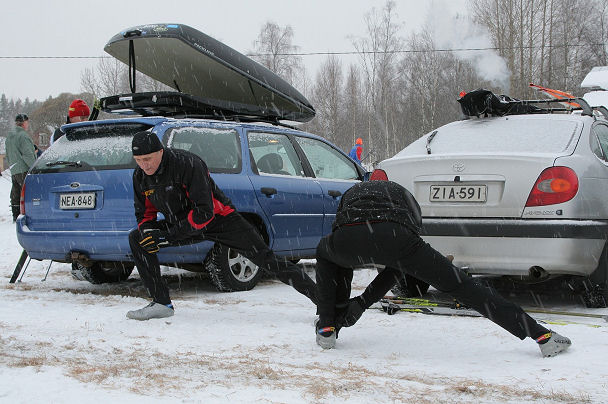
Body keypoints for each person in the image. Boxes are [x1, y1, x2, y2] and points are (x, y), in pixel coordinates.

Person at [314, 180, 571, 357]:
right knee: (463, 286)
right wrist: (363, 302)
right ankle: (541, 336)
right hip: (397, 236)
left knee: (328, 256)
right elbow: (397, 265)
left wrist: (354, 303)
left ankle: (328, 327)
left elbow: (341, 231)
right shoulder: (406, 202)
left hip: (347, 237)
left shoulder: (353, 194)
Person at [126, 131, 318, 320]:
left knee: (266, 259)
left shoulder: (188, 164)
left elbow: (204, 211)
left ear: (160, 151)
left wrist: (168, 236)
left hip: (220, 219)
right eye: (139, 160)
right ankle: (161, 303)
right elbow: (144, 213)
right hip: (182, 223)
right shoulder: (140, 176)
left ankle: (323, 300)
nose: (144, 165)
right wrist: (149, 232)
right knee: (138, 238)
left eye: (148, 158)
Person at [6, 114, 37, 222]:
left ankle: (16, 214)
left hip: (14, 169)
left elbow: (8, 154)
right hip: (23, 169)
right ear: (24, 123)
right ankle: (26, 214)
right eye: (27, 123)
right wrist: (35, 168)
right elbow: (28, 154)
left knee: (16, 192)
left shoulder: (9, 137)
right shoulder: (23, 136)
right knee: (27, 192)